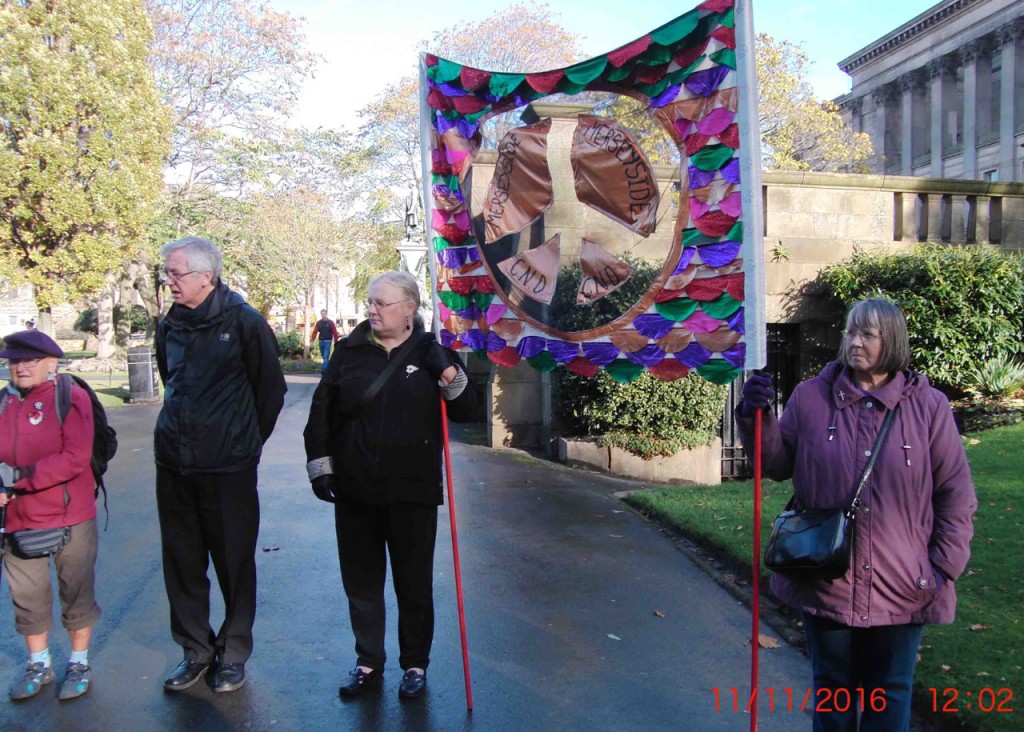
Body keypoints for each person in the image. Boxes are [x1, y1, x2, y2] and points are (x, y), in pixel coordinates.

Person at [737, 297, 976, 732]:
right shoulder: (811, 398)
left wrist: (942, 567)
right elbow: (774, 465)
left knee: (891, 695)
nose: (855, 342)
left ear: (893, 342)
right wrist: (756, 417)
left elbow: (956, 494)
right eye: (850, 332)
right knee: (832, 689)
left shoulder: (928, 407)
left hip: (904, 585)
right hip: (827, 580)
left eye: (868, 334)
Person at [303, 271, 478, 701]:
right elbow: (321, 411)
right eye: (370, 302)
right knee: (361, 583)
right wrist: (321, 467)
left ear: (408, 310)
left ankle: (414, 665)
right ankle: (368, 662)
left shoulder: (432, 351)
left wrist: (449, 374)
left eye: (381, 303)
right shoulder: (348, 352)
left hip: (412, 491)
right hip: (356, 488)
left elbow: (467, 410)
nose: (371, 309)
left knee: (413, 584)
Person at [154, 236, 287, 694]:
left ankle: (231, 653)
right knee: (182, 564)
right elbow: (170, 379)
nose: (167, 281)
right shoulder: (169, 324)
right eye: (166, 273)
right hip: (174, 463)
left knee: (232, 563)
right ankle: (195, 650)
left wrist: (245, 443)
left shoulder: (245, 322)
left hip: (228, 467)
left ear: (205, 277)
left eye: (175, 274)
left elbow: (271, 391)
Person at [0, 330, 100, 701]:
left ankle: (78, 663)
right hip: (18, 519)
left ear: (50, 363)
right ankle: (38, 664)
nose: (21, 367)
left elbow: (76, 457)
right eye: (14, 361)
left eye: (29, 361)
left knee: (76, 592)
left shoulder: (69, 397)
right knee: (27, 597)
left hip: (69, 517)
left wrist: (20, 478)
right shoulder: (4, 402)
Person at [314, 309, 340, 376]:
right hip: (321, 341)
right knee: (324, 357)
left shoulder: (331, 322)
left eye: (324, 314)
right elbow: (315, 332)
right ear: (321, 315)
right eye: (322, 314)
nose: (323, 315)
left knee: (325, 357)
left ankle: (324, 370)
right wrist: (312, 339)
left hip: (328, 341)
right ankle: (328, 370)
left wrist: (336, 341)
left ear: (326, 314)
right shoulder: (319, 323)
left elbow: (335, 332)